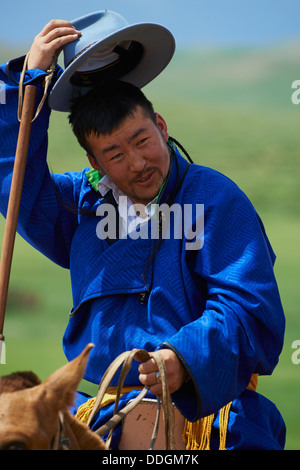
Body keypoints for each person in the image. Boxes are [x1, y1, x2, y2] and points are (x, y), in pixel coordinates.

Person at [0, 11, 286, 450]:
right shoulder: (80, 206)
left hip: (210, 419)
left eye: (142, 140)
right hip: (100, 418)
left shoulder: (214, 198)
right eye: (114, 154)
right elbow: (15, 180)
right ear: (94, 163)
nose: (137, 163)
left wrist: (185, 359)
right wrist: (29, 83)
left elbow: (248, 308)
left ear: (162, 126)